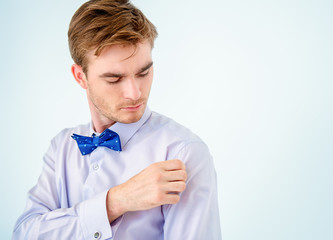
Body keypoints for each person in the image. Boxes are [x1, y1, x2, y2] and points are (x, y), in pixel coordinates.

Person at [12, 0, 221, 239]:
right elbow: (24, 233)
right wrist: (115, 202)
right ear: (81, 77)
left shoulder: (183, 153)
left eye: (144, 73)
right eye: (114, 79)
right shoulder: (62, 147)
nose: (135, 93)